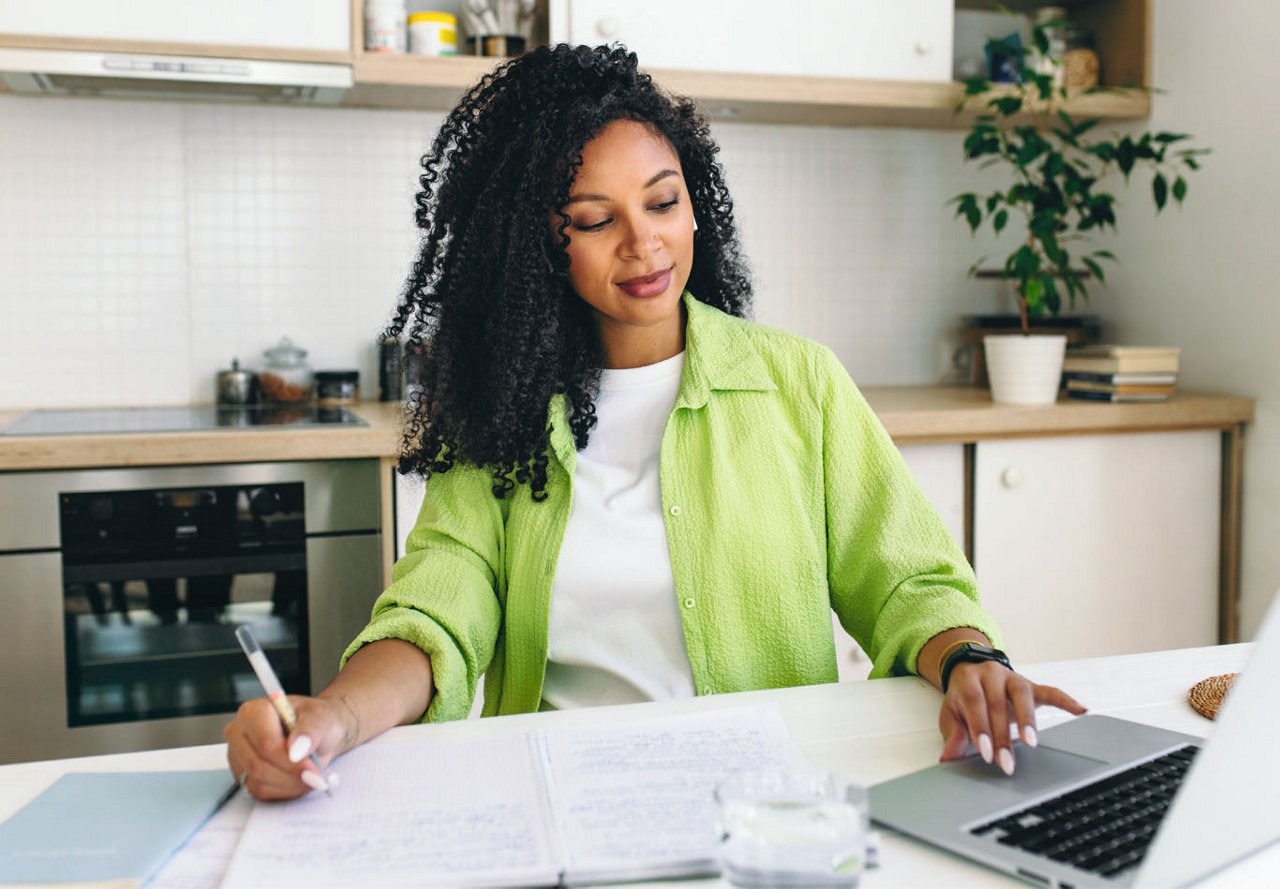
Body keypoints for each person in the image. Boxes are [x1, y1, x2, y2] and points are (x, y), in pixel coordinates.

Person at [225, 44, 1084, 801]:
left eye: (662, 202)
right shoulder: (506, 415)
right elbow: (434, 618)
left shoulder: (798, 384)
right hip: (559, 800)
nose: (643, 243)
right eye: (596, 221)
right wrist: (332, 717)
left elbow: (909, 583)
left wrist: (973, 661)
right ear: (541, 247)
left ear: (696, 205)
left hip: (769, 801)